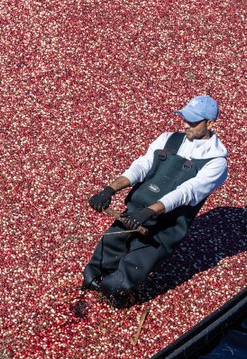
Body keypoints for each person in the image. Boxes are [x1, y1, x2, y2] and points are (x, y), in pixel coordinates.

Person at [82, 95, 229, 307]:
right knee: (111, 241)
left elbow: (186, 192)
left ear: (210, 123)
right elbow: (141, 166)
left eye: (193, 122)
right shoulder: (168, 139)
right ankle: (94, 280)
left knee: (137, 260)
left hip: (167, 223)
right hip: (137, 208)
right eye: (185, 119)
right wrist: (109, 189)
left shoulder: (216, 161)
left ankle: (116, 295)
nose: (186, 125)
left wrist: (149, 212)